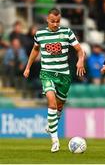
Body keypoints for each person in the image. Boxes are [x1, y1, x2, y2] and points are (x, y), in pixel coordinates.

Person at [23, 8, 85, 152]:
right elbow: (35, 50)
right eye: (52, 21)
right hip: (47, 73)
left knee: (59, 106)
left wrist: (80, 60)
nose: (55, 24)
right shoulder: (40, 34)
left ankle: (51, 124)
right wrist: (28, 67)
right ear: (47, 20)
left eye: (58, 21)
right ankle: (55, 140)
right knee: (51, 102)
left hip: (64, 75)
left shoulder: (67, 32)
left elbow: (79, 50)